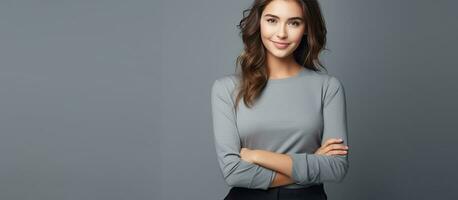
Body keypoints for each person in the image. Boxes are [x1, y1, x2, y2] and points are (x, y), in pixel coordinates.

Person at [210, 0, 350, 199]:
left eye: (294, 23)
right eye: (272, 20)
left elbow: (336, 168)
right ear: (258, 23)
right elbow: (233, 172)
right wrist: (312, 163)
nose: (282, 33)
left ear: (306, 28)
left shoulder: (328, 87)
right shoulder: (226, 89)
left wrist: (257, 156)